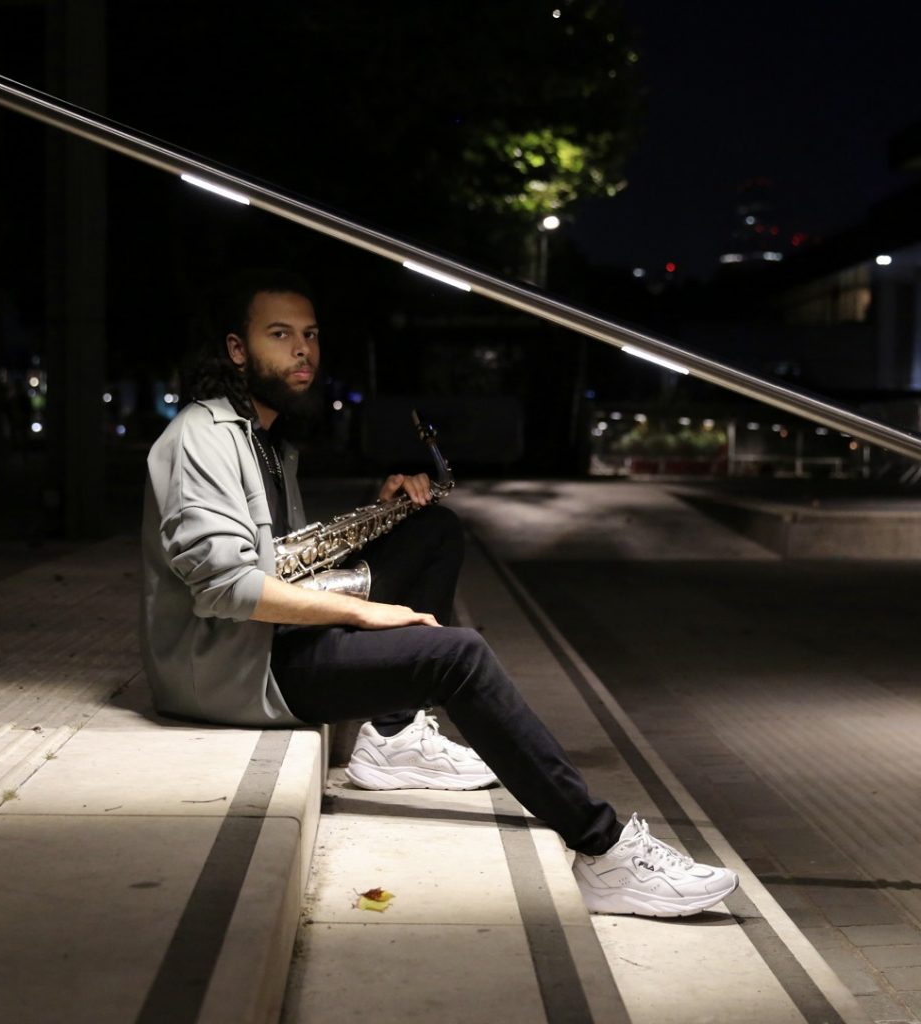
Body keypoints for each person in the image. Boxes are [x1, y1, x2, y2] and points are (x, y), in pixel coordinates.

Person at [140, 269, 738, 918]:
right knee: (458, 655)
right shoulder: (203, 438)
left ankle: (391, 739)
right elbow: (224, 586)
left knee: (432, 530)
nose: (303, 350)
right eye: (279, 335)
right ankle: (603, 848)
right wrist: (368, 612)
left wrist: (378, 512)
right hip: (235, 669)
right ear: (237, 350)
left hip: (266, 642)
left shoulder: (267, 439)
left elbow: (279, 559)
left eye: (310, 335)